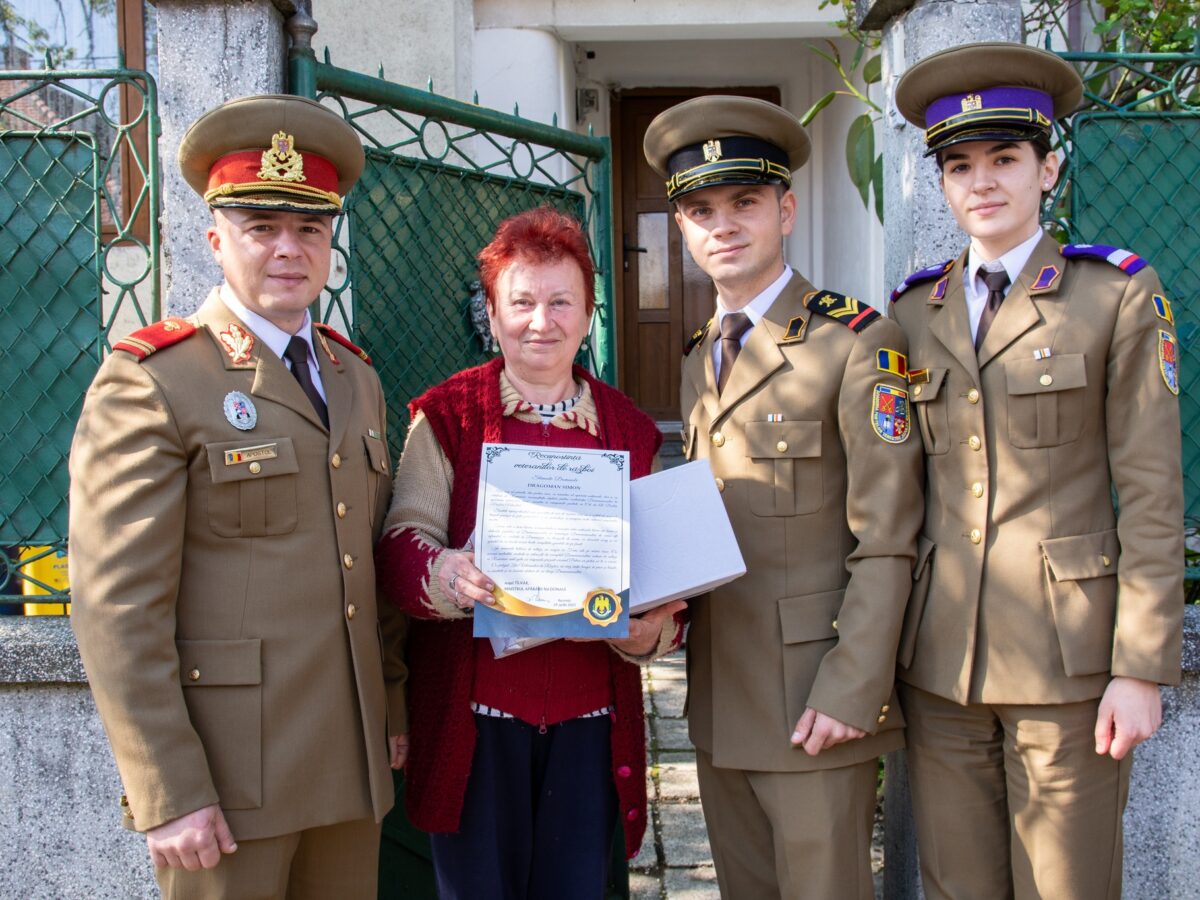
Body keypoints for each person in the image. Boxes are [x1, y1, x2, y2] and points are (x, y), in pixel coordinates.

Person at [68, 94, 408, 898]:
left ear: (331, 245)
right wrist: (168, 788)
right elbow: (116, 605)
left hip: (350, 763)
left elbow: (370, 559)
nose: (288, 249)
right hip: (225, 781)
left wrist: (392, 711)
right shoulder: (156, 379)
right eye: (262, 228)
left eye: (310, 229)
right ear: (216, 239)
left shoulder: (356, 377)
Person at [889, 41, 1184, 900]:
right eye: (960, 164)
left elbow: (1154, 493)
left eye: (1006, 158)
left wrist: (1140, 666)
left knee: (1068, 888)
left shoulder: (1115, 295)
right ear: (942, 183)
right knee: (956, 887)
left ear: (1048, 166)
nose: (982, 181)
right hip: (943, 664)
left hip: (1072, 666)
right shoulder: (915, 310)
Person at [641, 95, 924, 899]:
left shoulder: (855, 343)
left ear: (786, 209)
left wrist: (852, 689)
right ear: (683, 231)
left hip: (812, 697)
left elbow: (890, 535)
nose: (722, 225)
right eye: (700, 210)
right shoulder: (703, 355)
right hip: (721, 694)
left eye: (744, 202)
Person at [374, 206, 685, 900]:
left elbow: (663, 585)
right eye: (520, 302)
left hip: (589, 729)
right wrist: (446, 572)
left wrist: (650, 629)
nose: (540, 321)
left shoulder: (630, 431)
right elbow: (401, 545)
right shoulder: (448, 414)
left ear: (587, 314)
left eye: (560, 302)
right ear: (491, 311)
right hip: (476, 728)